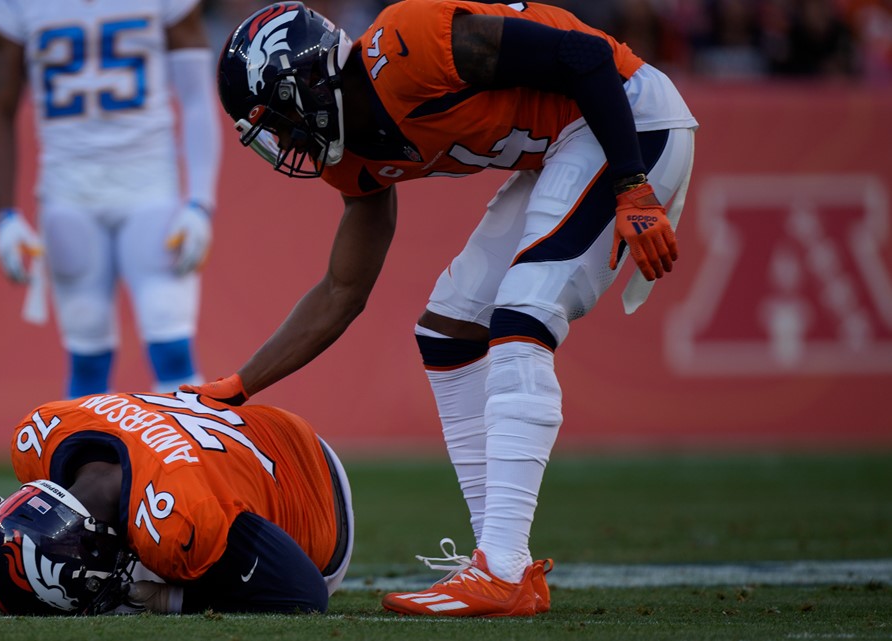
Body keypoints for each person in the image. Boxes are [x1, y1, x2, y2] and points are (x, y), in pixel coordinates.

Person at [196, 0, 698, 617]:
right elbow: (341, 292)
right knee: (449, 330)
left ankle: (503, 569)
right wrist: (242, 384)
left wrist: (631, 184)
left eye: (277, 119)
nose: (282, 139)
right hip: (564, 147)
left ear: (303, 79)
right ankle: (499, 561)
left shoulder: (407, 48)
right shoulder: (351, 157)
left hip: (627, 118)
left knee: (522, 316)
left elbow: (586, 56)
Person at [0, 0, 222, 397]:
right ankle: (90, 457)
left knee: (172, 346)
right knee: (86, 352)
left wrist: (200, 203)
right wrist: (3, 215)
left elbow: (197, 96)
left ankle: (184, 461)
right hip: (68, 193)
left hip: (149, 186)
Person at [0, 390, 354, 615]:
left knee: (141, 575)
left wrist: (170, 599)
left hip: (314, 502)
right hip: (268, 425)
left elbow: (304, 594)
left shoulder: (171, 520)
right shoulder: (40, 430)